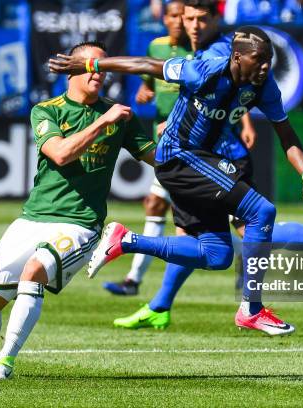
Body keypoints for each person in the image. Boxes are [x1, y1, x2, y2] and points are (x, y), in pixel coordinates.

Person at [107, 0, 303, 330]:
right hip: (187, 156)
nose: (192, 25)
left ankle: (159, 295)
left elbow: (272, 122)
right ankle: (178, 302)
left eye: (200, 19)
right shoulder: (189, 57)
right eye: (186, 18)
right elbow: (149, 68)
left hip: (221, 158)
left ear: (216, 20)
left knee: (233, 239)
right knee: (233, 232)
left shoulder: (223, 56)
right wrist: (99, 67)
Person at [50, 26, 303, 336]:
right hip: (177, 156)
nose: (266, 66)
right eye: (259, 59)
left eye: (269, 60)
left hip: (199, 162)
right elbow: (145, 65)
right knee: (261, 211)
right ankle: (252, 308)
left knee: (217, 254)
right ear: (237, 57)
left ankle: (126, 241)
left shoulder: (264, 86)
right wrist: (91, 64)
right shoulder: (205, 70)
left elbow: (286, 134)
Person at [0, 41, 156, 381]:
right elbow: (62, 153)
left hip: (81, 223)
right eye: (92, 67)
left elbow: (157, 159)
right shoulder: (47, 111)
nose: (99, 74)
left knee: (35, 270)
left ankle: (5, 362)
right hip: (33, 217)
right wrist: (102, 123)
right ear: (72, 70)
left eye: (104, 68)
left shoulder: (120, 116)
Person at [103, 0, 193, 296]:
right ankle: (134, 281)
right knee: (156, 205)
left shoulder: (199, 51)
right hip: (168, 142)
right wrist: (146, 90)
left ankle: (263, 250)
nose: (178, 21)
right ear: (165, 19)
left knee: (204, 224)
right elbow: (151, 81)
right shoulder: (156, 47)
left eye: (183, 15)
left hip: (195, 141)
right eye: (173, 15)